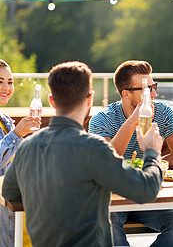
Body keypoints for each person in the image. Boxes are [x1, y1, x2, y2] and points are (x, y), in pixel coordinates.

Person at [2, 61, 164, 247]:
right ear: (90, 99)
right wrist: (152, 151)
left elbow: (9, 193)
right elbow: (147, 190)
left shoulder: (27, 147)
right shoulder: (94, 149)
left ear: (52, 100)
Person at [88, 60, 173, 246]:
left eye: (154, 86)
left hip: (148, 192)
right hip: (114, 196)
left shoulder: (163, 112)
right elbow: (104, 160)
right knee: (107, 226)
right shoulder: (101, 119)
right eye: (146, 89)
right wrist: (134, 120)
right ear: (126, 94)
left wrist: (148, 169)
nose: (154, 94)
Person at [0, 59, 41, 247]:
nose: (6, 87)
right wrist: (17, 134)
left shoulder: (6, 120)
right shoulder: (10, 127)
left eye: (10, 82)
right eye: (0, 81)